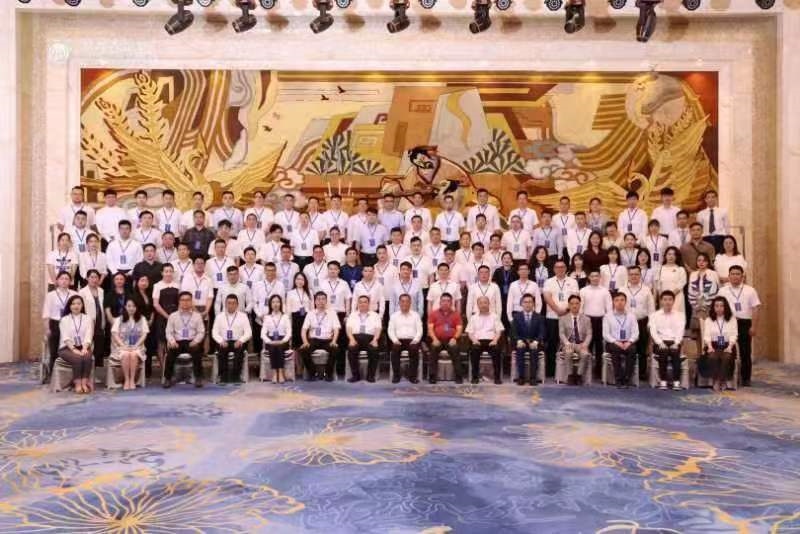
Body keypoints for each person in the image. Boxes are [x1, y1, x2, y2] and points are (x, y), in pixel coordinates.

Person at [718, 265, 760, 386]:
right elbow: (718, 308)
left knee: (745, 352)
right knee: (726, 350)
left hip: (744, 323)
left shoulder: (750, 290)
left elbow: (756, 308)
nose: (735, 276)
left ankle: (746, 378)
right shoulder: (723, 291)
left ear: (742, 276)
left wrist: (753, 326)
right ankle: (727, 376)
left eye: (738, 274)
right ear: (729, 276)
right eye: (733, 274)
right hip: (728, 322)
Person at [542, 260, 580, 376]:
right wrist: (557, 310)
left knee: (568, 343)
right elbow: (547, 297)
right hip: (552, 316)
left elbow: (575, 297)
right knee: (552, 343)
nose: (560, 269)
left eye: (562, 267)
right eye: (557, 267)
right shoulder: (549, 281)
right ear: (554, 269)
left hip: (568, 316)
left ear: (566, 268)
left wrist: (566, 310)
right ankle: (550, 371)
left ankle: (568, 372)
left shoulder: (572, 281)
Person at [164, 291, 206, 388]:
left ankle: (198, 378)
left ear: (191, 302)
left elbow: (201, 332)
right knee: (170, 354)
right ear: (179, 302)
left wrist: (195, 341)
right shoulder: (173, 316)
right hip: (177, 342)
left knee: (197, 352)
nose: (185, 302)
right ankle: (167, 378)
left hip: (192, 341)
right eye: (183, 300)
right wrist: (172, 341)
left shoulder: (197, 316)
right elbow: (168, 332)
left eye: (188, 300)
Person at [621, 266, 656, 380]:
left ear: (640, 275)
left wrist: (650, 324)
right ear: (628, 276)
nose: (634, 276)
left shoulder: (646, 290)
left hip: (642, 321)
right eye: (631, 274)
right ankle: (627, 372)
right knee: (628, 347)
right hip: (626, 323)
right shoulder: (622, 289)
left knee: (642, 348)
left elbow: (651, 309)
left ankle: (641, 373)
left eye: (636, 274)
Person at [57, 295, 95, 394]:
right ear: (69, 306)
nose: (76, 306)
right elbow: (66, 338)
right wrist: (74, 349)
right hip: (66, 348)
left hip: (83, 346)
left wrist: (85, 348)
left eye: (78, 303)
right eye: (73, 304)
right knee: (77, 358)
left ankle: (84, 383)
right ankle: (77, 384)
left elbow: (89, 335)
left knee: (87, 357)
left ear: (82, 305)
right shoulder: (64, 320)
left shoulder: (88, 318)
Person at [42, 272, 79, 374]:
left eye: (67, 279)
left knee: (71, 349)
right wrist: (47, 329)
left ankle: (71, 373)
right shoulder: (51, 295)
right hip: (55, 324)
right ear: (57, 281)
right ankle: (53, 374)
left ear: (70, 282)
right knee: (54, 350)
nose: (64, 281)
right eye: (62, 279)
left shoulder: (74, 294)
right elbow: (46, 313)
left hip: (71, 324)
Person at [649, 290, 686, 390]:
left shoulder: (680, 315)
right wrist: (660, 342)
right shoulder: (654, 315)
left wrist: (676, 343)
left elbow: (680, 331)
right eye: (665, 299)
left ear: (673, 301)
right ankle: (663, 381)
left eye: (670, 299)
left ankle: (676, 382)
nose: (667, 302)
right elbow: (653, 332)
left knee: (675, 351)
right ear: (661, 301)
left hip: (674, 341)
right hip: (660, 342)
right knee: (663, 351)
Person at [299, 292, 340, 381]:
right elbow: (304, 330)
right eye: (318, 299)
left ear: (326, 301)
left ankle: (328, 373)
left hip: (327, 340)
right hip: (313, 340)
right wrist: (305, 342)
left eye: (323, 299)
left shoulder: (332, 313)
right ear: (315, 302)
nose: (321, 301)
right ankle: (313, 372)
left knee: (335, 349)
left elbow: (336, 329)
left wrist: (334, 341)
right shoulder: (310, 313)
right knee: (303, 350)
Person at [700, 296, 738, 392]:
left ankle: (722, 380)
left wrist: (730, 346)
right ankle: (717, 380)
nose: (719, 308)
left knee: (727, 357)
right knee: (712, 357)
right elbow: (707, 335)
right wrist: (709, 346)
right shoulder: (709, 320)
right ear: (713, 307)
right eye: (716, 306)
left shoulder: (732, 319)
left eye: (722, 306)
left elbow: (734, 335)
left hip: (728, 345)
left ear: (726, 307)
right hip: (713, 345)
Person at [211, 294, 252, 384]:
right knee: (222, 350)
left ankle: (236, 376)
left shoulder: (243, 316)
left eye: (234, 303)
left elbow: (248, 332)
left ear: (237, 305)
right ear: (225, 304)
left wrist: (241, 340)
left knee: (239, 350)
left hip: (238, 341)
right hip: (224, 341)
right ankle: (223, 377)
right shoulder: (219, 316)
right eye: (229, 303)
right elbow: (214, 332)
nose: (231, 305)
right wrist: (221, 341)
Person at [110, 298, 149, 390]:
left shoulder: (142, 319)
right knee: (126, 354)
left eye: (134, 306)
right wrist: (123, 346)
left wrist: (136, 346)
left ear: (137, 307)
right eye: (129, 306)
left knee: (134, 354)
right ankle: (127, 380)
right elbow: (115, 334)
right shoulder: (119, 319)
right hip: (122, 347)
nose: (131, 308)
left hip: (138, 346)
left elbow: (144, 334)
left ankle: (132, 380)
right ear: (125, 307)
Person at [322, 261, 353, 376]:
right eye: (330, 269)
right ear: (328, 270)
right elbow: (319, 299)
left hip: (341, 314)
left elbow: (348, 299)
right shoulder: (323, 283)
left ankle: (340, 368)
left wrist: (347, 314)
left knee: (341, 341)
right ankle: (328, 369)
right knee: (328, 340)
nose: (333, 271)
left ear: (339, 271)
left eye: (335, 269)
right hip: (327, 315)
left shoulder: (344, 284)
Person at [603, 292, 639, 388]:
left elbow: (636, 332)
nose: (619, 302)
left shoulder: (631, 316)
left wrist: (629, 342)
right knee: (616, 350)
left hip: (628, 342)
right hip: (613, 342)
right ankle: (618, 379)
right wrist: (616, 342)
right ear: (613, 302)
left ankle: (627, 379)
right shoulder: (608, 316)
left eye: (622, 300)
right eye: (617, 300)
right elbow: (606, 334)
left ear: (626, 302)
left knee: (632, 350)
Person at [466, 295, 505, 384]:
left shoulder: (494, 316)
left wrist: (495, 340)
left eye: (485, 303)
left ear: (489, 304)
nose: (483, 305)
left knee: (496, 350)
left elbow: (498, 331)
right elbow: (470, 333)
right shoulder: (473, 317)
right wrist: (474, 341)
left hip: (491, 341)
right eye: (481, 303)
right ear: (477, 305)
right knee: (474, 350)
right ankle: (475, 377)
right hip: (478, 341)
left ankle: (497, 377)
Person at [579, 271, 612, 372]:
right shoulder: (583, 290)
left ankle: (598, 369)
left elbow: (609, 308)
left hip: (601, 320)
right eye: (592, 276)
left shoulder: (605, 291)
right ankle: (585, 369)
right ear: (589, 277)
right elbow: (580, 307)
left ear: (600, 277)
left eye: (597, 276)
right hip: (587, 320)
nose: (595, 278)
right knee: (587, 344)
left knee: (599, 346)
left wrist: (608, 320)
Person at [688, 252, 720, 355]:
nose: (701, 263)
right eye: (699, 260)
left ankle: (709, 354)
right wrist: (696, 305)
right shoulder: (693, 274)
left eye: (704, 260)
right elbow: (690, 291)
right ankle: (699, 355)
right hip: (696, 307)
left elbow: (715, 289)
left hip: (709, 307)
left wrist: (705, 304)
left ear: (708, 262)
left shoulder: (713, 273)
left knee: (709, 332)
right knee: (697, 332)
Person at [428, 293, 464, 384]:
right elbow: (430, 329)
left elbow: (459, 329)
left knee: (455, 348)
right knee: (433, 348)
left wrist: (454, 338)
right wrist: (434, 339)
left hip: (451, 339)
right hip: (437, 339)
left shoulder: (456, 314)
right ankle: (432, 376)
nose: (445, 303)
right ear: (440, 302)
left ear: (451, 303)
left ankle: (458, 376)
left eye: (448, 301)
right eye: (443, 301)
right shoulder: (433, 314)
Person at [345, 295, 382, 383]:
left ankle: (370, 376)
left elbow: (378, 329)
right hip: (355, 338)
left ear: (369, 304)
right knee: (351, 349)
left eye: (365, 302)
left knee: (374, 350)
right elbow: (348, 329)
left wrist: (375, 340)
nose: (362, 304)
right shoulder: (352, 315)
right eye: (360, 302)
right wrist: (351, 339)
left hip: (370, 338)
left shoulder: (375, 315)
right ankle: (355, 376)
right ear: (357, 304)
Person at [511, 294, 546, 385]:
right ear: (522, 304)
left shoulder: (539, 317)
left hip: (534, 342)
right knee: (520, 349)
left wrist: (536, 342)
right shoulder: (516, 317)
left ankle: (533, 378)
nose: (527, 304)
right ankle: (521, 377)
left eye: (530, 302)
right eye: (525, 302)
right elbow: (514, 332)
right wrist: (518, 341)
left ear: (533, 304)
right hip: (521, 342)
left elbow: (542, 332)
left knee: (534, 351)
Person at [388, 293, 423, 383]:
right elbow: (390, 330)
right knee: (395, 350)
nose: (405, 303)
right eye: (402, 301)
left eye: (407, 301)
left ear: (410, 303)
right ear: (399, 303)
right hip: (398, 340)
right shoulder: (394, 316)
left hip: (412, 340)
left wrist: (416, 340)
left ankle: (413, 377)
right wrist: (395, 340)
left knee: (414, 350)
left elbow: (420, 330)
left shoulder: (416, 315)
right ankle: (396, 376)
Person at [558, 295, 593, 384]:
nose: (574, 306)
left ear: (580, 305)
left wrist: (585, 344)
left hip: (581, 344)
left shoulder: (586, 319)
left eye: (577, 303)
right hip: (568, 343)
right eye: (572, 303)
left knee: (585, 354)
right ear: (569, 305)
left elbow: (589, 334)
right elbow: (561, 333)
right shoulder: (562, 318)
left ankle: (579, 375)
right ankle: (570, 376)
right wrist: (566, 343)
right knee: (568, 352)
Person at [152, 264, 181, 373]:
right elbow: (156, 304)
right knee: (161, 343)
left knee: (175, 341)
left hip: (176, 317)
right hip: (162, 316)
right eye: (166, 271)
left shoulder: (177, 285)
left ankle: (173, 368)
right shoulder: (157, 285)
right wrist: (167, 316)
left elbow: (181, 301)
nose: (168, 273)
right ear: (162, 273)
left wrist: (175, 316)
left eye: (170, 271)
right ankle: (164, 370)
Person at [261, 294, 292, 384]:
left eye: (277, 302)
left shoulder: (285, 317)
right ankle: (275, 373)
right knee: (273, 347)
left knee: (279, 347)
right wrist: (269, 341)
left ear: (281, 304)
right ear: (270, 304)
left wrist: (283, 341)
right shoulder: (267, 317)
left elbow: (289, 332)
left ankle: (280, 372)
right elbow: (263, 333)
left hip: (283, 340)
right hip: (270, 340)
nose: (275, 304)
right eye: (273, 302)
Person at [79, 269, 106, 367]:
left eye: (96, 277)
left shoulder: (101, 291)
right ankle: (87, 370)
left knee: (99, 348)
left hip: (100, 322)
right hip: (88, 323)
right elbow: (80, 309)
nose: (94, 279)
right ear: (87, 278)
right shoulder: (82, 292)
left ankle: (97, 371)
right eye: (92, 277)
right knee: (88, 347)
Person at [130, 275, 156, 375]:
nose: (144, 283)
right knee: (139, 347)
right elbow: (133, 310)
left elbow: (153, 309)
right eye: (142, 280)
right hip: (138, 323)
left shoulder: (150, 294)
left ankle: (147, 371)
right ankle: (137, 371)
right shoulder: (133, 296)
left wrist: (151, 319)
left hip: (150, 324)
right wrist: (144, 321)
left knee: (149, 347)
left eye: (146, 281)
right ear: (137, 283)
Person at [656, 247, 688, 315]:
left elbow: (681, 284)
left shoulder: (680, 269)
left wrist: (670, 296)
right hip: (663, 299)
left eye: (674, 254)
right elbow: (658, 285)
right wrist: (663, 298)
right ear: (665, 256)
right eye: (669, 254)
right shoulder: (660, 269)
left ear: (677, 257)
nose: (671, 256)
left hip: (677, 298)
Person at [287, 272, 312, 352]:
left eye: (302, 279)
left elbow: (312, 309)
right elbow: (288, 310)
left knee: (306, 342)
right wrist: (288, 324)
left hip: (306, 318)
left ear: (305, 281)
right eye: (298, 279)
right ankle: (296, 359)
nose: (300, 281)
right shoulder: (290, 293)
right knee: (296, 343)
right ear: (294, 280)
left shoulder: (309, 292)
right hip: (295, 319)